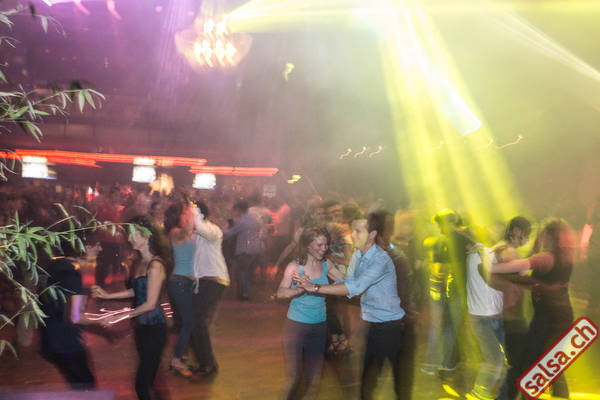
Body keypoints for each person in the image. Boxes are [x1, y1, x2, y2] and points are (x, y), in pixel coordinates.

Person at [294, 210, 406, 399]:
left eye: (358, 231)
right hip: (374, 326)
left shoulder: (380, 260)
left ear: (372, 234)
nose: (352, 235)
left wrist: (315, 287)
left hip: (391, 328)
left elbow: (354, 287)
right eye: (352, 230)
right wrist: (326, 269)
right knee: (367, 381)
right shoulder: (357, 256)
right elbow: (347, 282)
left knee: (398, 383)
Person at [488, 218, 575, 399]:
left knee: (530, 363)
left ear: (549, 236)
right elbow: (538, 284)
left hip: (547, 319)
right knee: (550, 365)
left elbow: (518, 267)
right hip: (562, 318)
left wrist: (492, 268)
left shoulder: (546, 257)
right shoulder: (565, 257)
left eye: (542, 234)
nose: (539, 237)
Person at [92, 215, 170, 400]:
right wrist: (108, 295)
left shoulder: (155, 265)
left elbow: (150, 304)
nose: (129, 238)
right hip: (142, 328)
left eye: (133, 233)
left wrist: (119, 316)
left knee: (141, 384)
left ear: (146, 235)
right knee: (148, 381)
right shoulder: (140, 262)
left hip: (155, 330)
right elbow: (136, 290)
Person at [277, 226, 344, 399]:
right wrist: (298, 290)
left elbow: (345, 283)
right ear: (307, 244)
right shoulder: (294, 267)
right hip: (296, 326)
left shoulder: (326, 264)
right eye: (319, 245)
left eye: (326, 245)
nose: (324, 249)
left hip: (319, 326)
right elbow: (281, 292)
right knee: (294, 377)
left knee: (314, 377)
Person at [40, 237, 102, 389]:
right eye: (97, 245)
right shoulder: (72, 275)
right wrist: (102, 320)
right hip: (66, 343)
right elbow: (76, 316)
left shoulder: (54, 268)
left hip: (51, 342)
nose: (100, 249)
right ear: (85, 247)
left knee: (79, 386)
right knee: (87, 388)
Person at [188, 201, 230, 378]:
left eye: (190, 214)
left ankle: (208, 363)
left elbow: (201, 228)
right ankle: (205, 362)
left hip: (215, 279)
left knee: (198, 320)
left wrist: (193, 209)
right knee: (194, 321)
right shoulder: (195, 233)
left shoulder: (213, 229)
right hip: (203, 281)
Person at [165, 202, 195, 377]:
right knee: (188, 322)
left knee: (186, 322)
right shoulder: (176, 232)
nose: (188, 215)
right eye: (185, 213)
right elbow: (183, 235)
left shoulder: (189, 233)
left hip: (186, 283)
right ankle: (176, 359)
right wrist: (190, 225)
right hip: (179, 283)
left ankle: (181, 354)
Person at [224, 200, 261, 301]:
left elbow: (230, 232)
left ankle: (245, 294)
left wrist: (217, 231)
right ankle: (248, 293)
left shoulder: (242, 221)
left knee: (242, 273)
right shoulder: (254, 219)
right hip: (255, 249)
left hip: (245, 249)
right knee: (249, 273)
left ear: (239, 209)